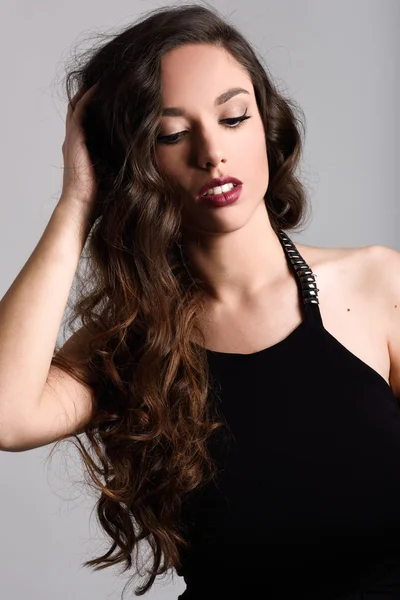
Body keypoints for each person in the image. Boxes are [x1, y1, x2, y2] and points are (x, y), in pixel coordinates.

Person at [1, 3, 400, 599]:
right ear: (133, 163)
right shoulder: (132, 341)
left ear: (265, 123)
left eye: (234, 117)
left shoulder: (379, 283)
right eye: (172, 134)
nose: (212, 152)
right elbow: (9, 415)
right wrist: (77, 201)